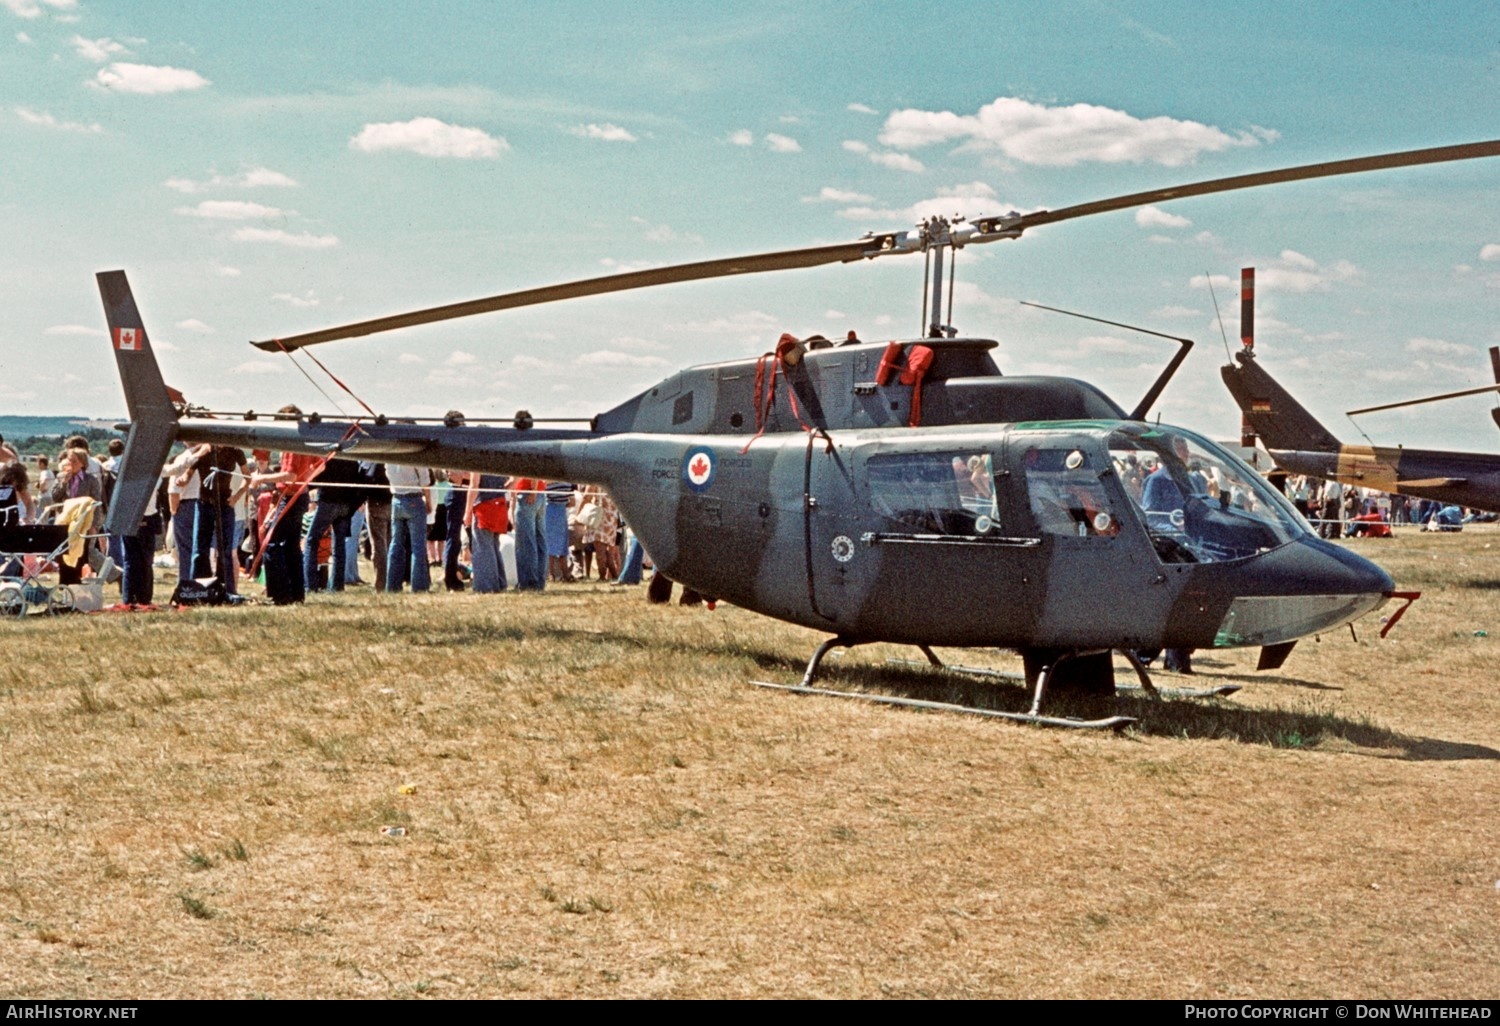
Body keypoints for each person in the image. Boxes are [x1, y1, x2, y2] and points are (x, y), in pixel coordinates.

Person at [249, 406, 319, 605]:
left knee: (272, 544)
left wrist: (262, 478)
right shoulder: (304, 440)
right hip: (301, 496)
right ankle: (296, 594)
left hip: (290, 497)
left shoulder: (289, 442)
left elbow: (290, 476)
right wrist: (305, 481)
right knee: (291, 548)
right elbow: (320, 465)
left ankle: (279, 595)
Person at [302, 457, 362, 593]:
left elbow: (317, 478)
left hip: (327, 503)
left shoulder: (328, 459)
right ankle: (337, 585)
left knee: (311, 541)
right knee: (339, 546)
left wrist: (305, 486)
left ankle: (310, 585)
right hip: (345, 505)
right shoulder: (352, 461)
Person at [385, 457, 432, 593]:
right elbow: (425, 481)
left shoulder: (389, 457)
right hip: (414, 498)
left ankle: (392, 585)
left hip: (396, 499)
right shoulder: (414, 456)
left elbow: (387, 473)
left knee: (396, 545)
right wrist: (428, 502)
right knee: (417, 546)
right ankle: (419, 586)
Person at [465, 472, 509, 593]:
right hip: (500, 503)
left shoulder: (478, 461)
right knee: (494, 547)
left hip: (484, 505)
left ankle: (486, 586)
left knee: (482, 548)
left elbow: (474, 485)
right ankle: (500, 583)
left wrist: (467, 512)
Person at [511, 476, 547, 591]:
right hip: (539, 493)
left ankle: (528, 582)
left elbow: (534, 469)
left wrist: (533, 490)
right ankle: (539, 581)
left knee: (526, 543)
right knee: (539, 541)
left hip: (528, 493)